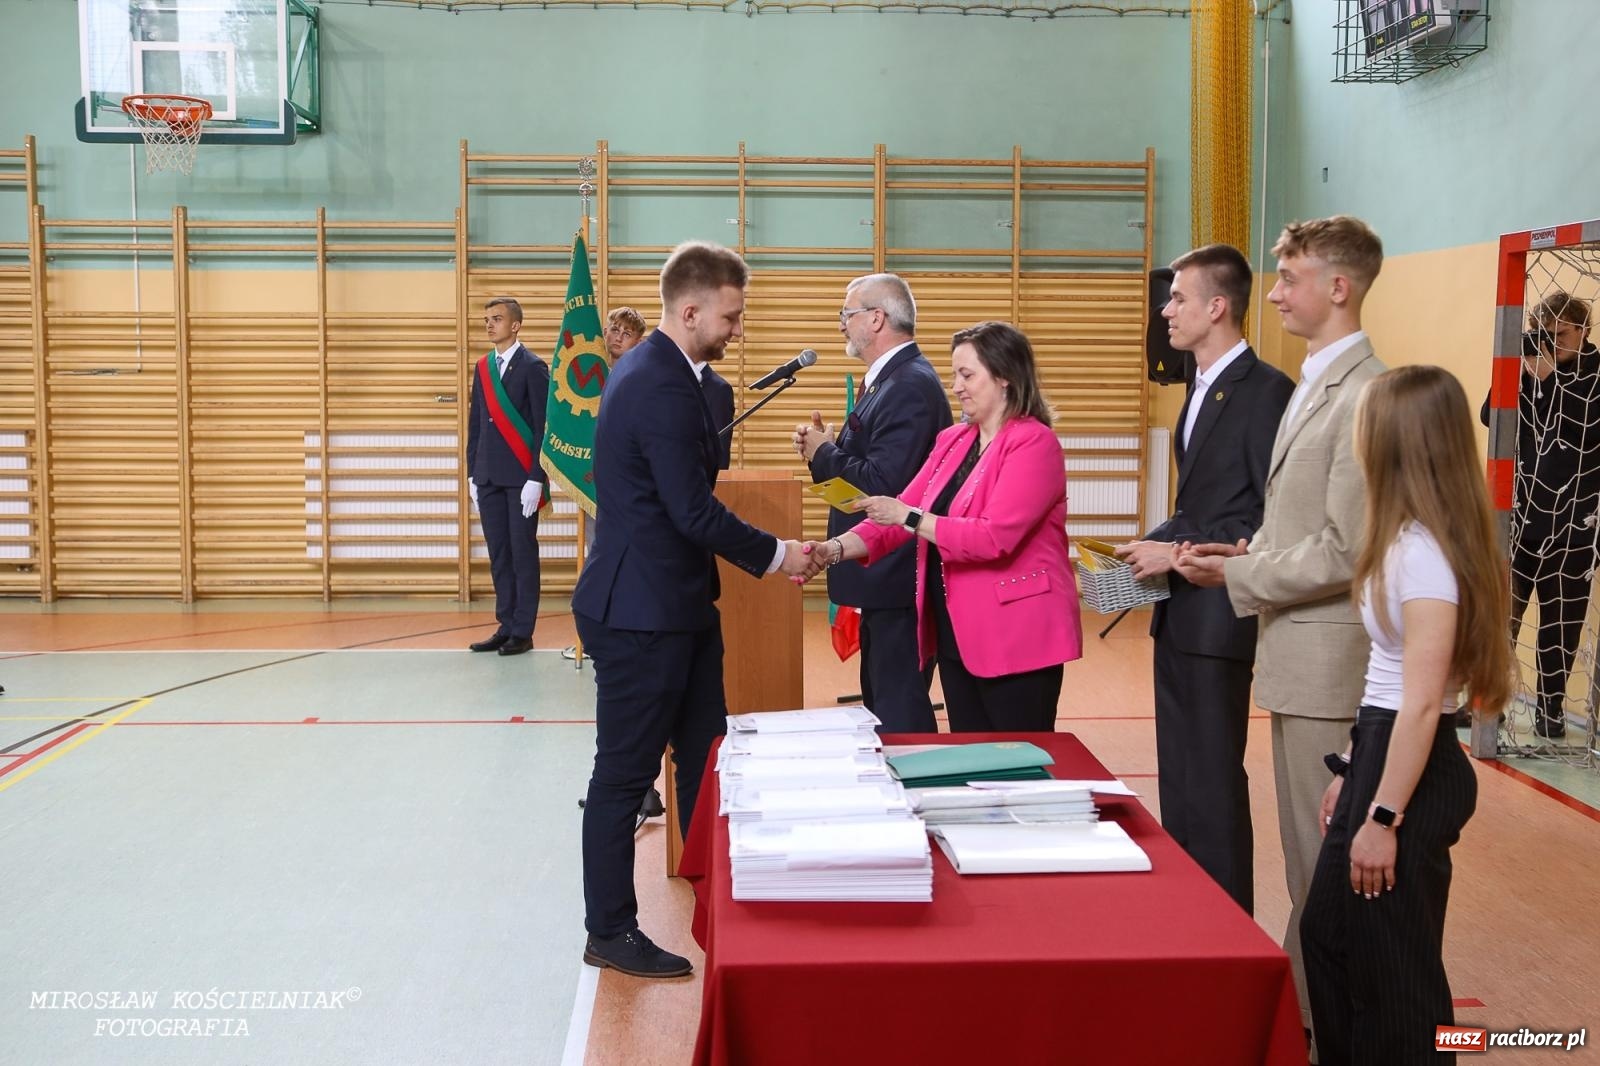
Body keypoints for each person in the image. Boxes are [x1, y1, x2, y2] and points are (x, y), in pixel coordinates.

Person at [571, 240, 820, 979]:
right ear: (690, 309)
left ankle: (721, 899)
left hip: (676, 604)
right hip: (640, 611)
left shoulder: (671, 376)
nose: (737, 329)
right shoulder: (655, 382)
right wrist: (779, 555)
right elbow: (690, 509)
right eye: (731, 316)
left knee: (710, 757)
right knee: (622, 777)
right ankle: (609, 928)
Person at [1173, 214, 1387, 1048]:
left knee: (1327, 874)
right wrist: (1241, 547)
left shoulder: (1365, 391)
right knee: (1310, 868)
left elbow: (1344, 547)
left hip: (1330, 663)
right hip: (1296, 659)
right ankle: (1303, 1026)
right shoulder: (1314, 381)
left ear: (1338, 287)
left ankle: (1323, 1030)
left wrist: (1239, 572)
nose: (1273, 294)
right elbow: (1295, 524)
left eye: (1288, 279)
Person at [1300, 365, 1511, 1065]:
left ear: (1395, 440)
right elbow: (1386, 681)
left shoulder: (1424, 556)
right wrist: (1354, 770)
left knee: (1396, 974)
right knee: (1329, 936)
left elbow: (1423, 703)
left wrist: (1384, 817)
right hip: (1383, 749)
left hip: (1414, 770)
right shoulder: (1403, 537)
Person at [1115, 244, 1293, 914]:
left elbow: (1264, 514)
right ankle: (1192, 919)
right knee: (1181, 781)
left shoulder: (1267, 391)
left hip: (1221, 612)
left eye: (1178, 298)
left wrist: (1180, 549)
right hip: (1181, 611)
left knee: (1213, 783)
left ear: (1217, 307)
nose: (1166, 310)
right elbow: (1206, 503)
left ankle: (1226, 925)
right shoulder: (1198, 385)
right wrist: (1157, 540)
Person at [814, 321, 1081, 732]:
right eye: (955, 374)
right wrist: (831, 550)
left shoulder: (1034, 443)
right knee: (971, 766)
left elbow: (992, 537)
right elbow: (897, 512)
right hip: (958, 631)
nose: (956, 386)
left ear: (1005, 377)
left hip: (1016, 635)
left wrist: (910, 518)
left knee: (1019, 770)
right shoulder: (954, 440)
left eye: (967, 375)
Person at [793, 273, 952, 732]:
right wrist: (821, 450)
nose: (841, 324)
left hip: (897, 575)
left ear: (877, 318)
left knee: (899, 707)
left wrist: (826, 450)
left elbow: (885, 488)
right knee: (883, 701)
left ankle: (912, 794)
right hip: (880, 572)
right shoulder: (891, 381)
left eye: (847, 314)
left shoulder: (907, 386)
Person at [1480, 291, 1600, 739]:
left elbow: (1584, 431)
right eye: (1542, 334)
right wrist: (1519, 374)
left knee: (1559, 624)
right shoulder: (1528, 365)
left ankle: (1550, 711)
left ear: (1583, 331)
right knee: (1499, 618)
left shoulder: (1596, 375)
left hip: (1574, 524)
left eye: (1560, 334)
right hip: (1520, 516)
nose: (1550, 343)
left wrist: (1550, 380)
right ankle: (1488, 705)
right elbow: (1489, 416)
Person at [465, 297, 549, 657]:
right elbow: (475, 426)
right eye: (487, 319)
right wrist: (472, 472)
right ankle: (505, 624)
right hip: (488, 477)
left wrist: (537, 477)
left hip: (520, 479)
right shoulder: (483, 368)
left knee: (522, 553)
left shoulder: (533, 367)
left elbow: (542, 426)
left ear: (515, 325)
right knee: (499, 553)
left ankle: (523, 630)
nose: (489, 325)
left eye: (496, 319)